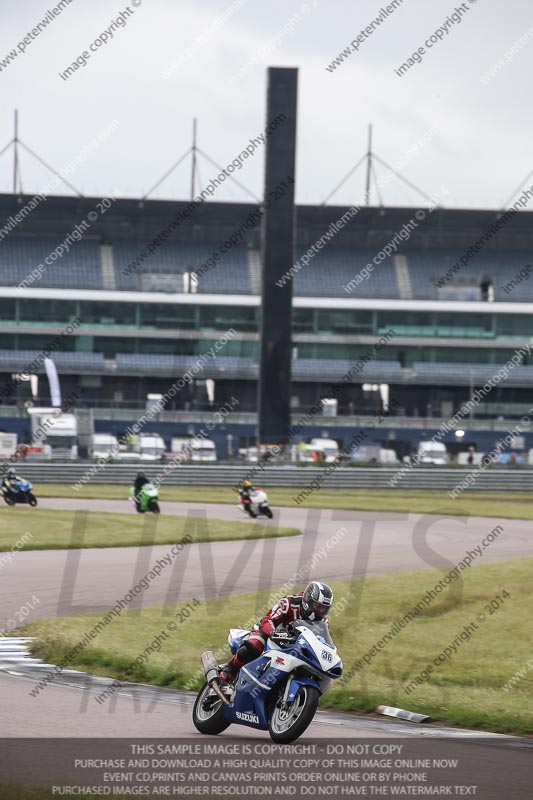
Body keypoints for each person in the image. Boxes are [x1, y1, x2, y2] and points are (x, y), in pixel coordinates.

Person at [219, 581, 334, 683]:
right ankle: (231, 668)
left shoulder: (323, 621)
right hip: (270, 635)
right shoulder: (289, 603)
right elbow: (267, 620)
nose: (320, 610)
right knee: (254, 645)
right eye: (317, 606)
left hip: (293, 645)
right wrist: (273, 633)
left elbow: (320, 640)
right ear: (307, 599)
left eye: (324, 608)